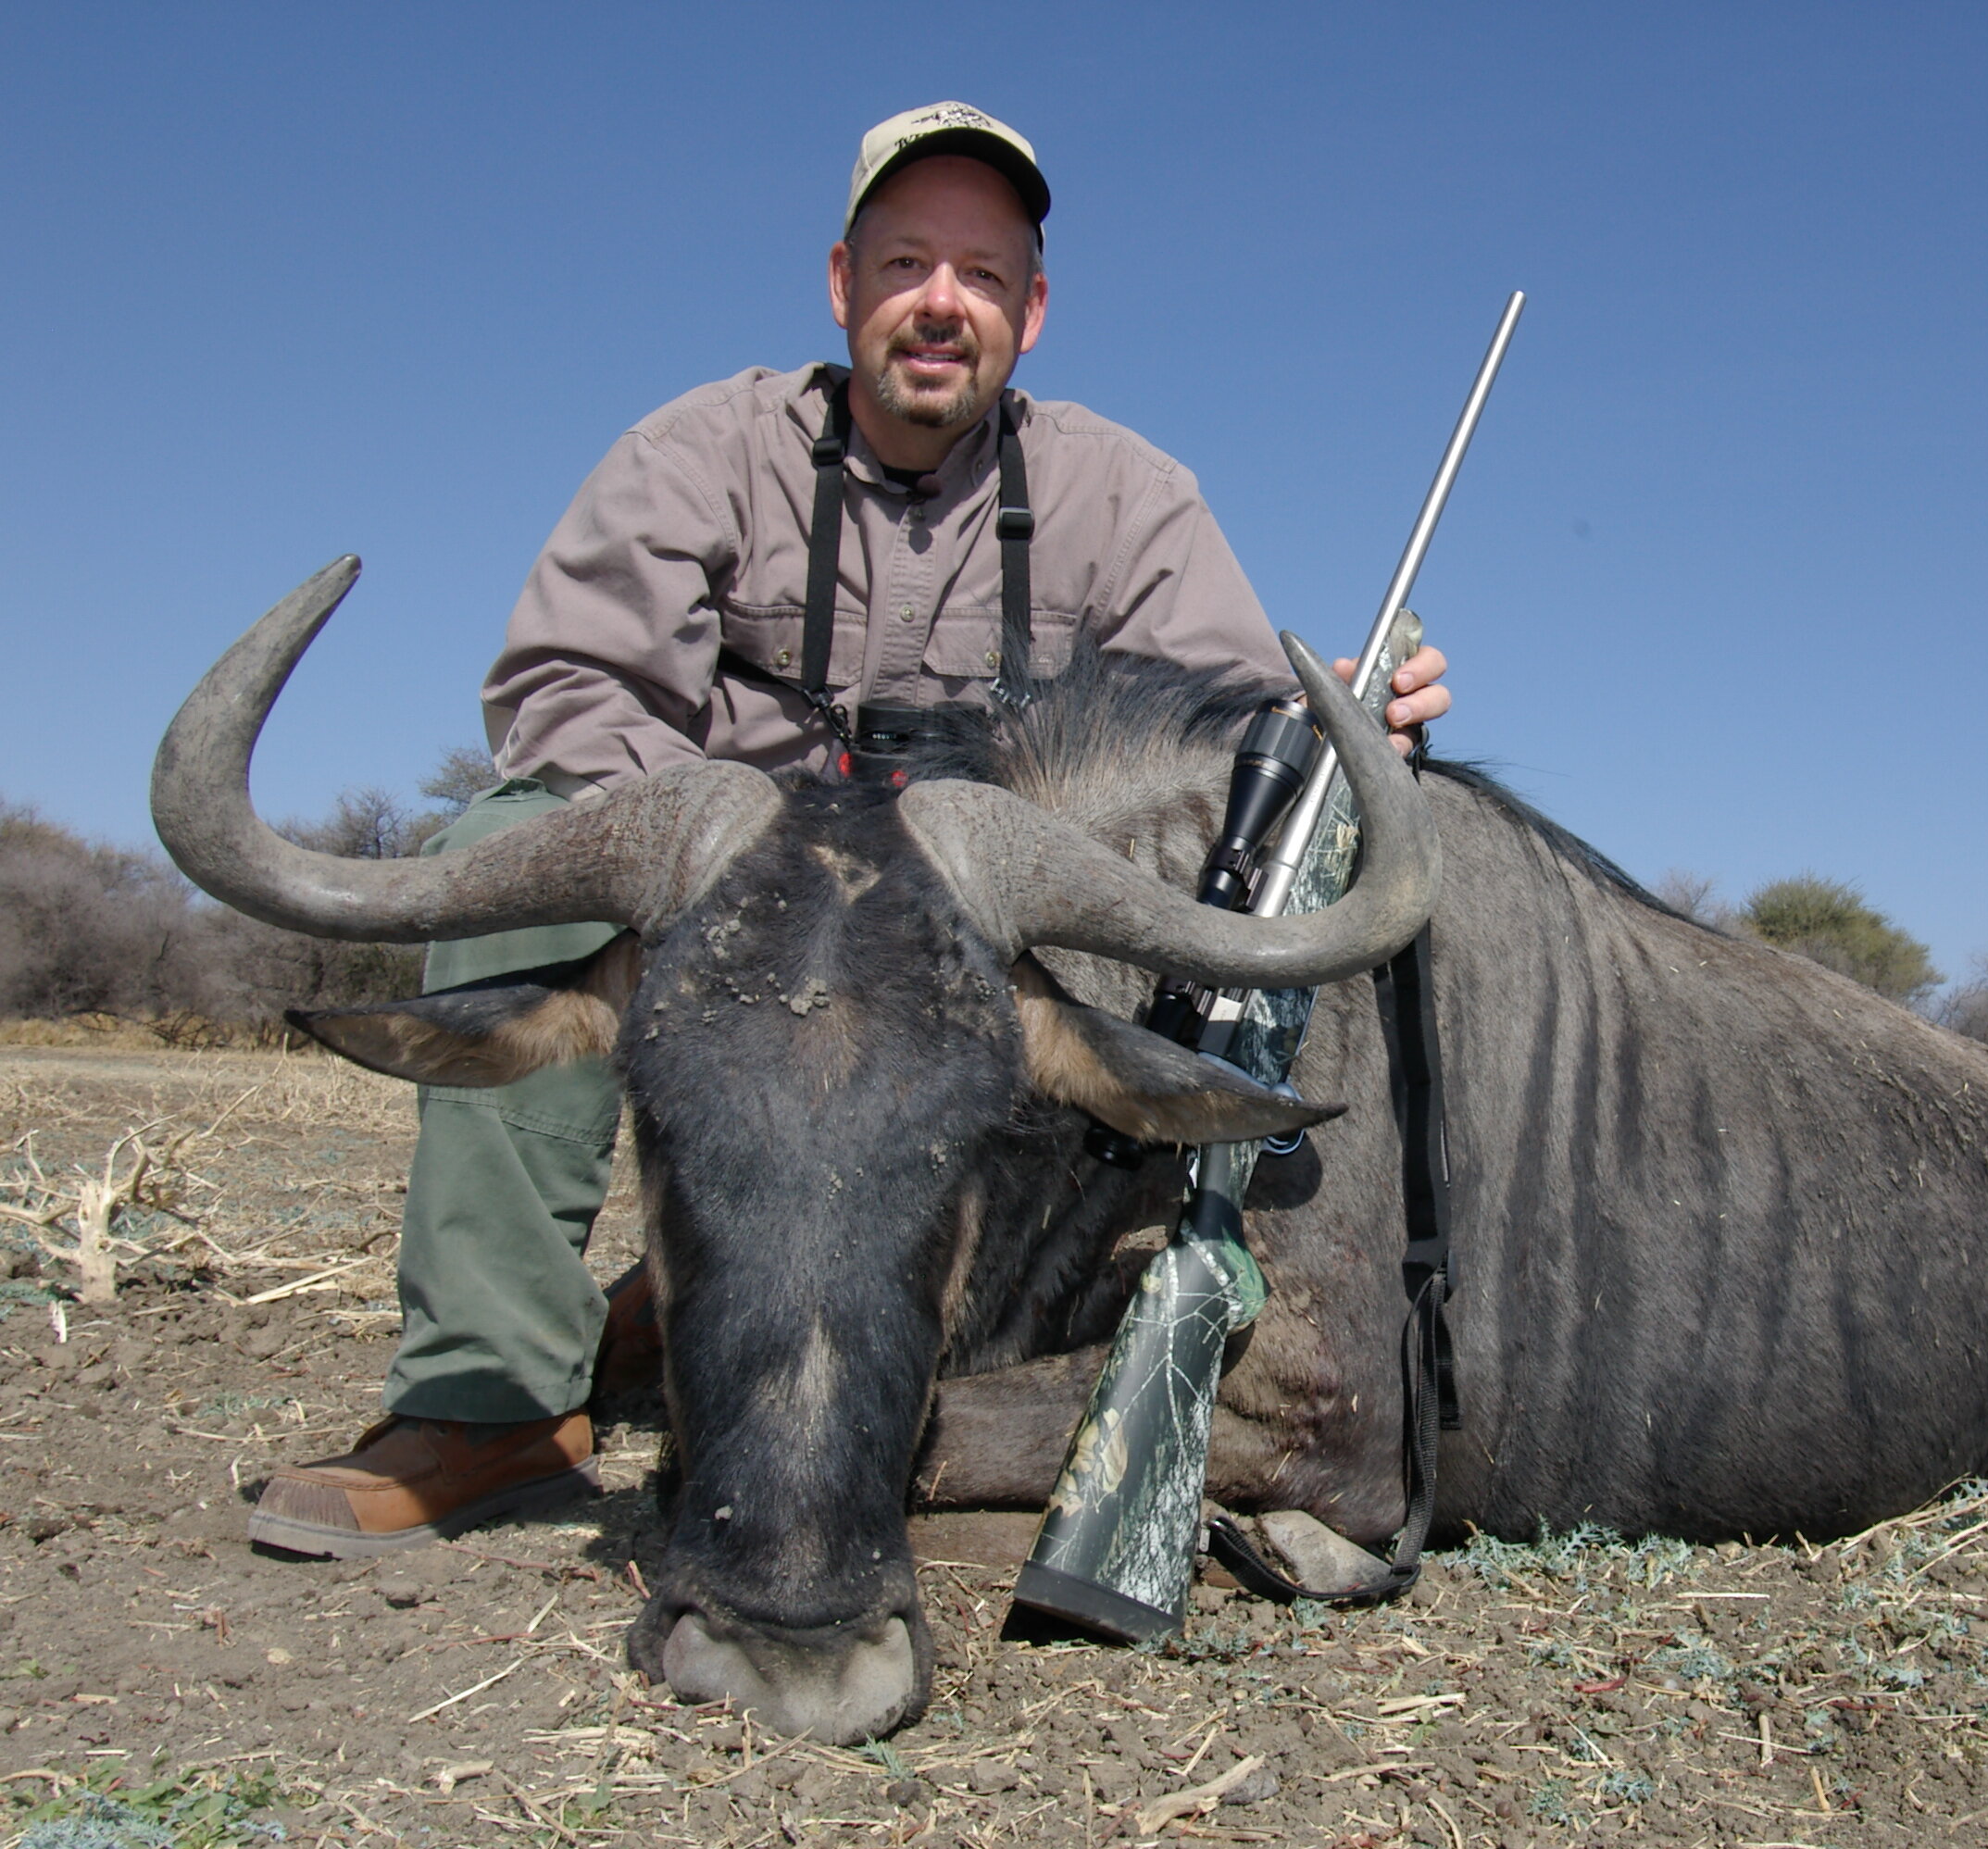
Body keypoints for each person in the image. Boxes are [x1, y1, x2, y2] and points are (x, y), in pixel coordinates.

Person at [248, 103, 1452, 1557]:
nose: (942, 303)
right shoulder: (700, 449)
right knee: (518, 847)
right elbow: (565, 701)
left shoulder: (1128, 493)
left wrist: (1359, 736)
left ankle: (870, 1326)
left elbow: (1229, 752)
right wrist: (751, 850)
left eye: (983, 277)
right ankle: (492, 1401)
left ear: (1034, 310)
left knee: (1219, 934)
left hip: (969, 954)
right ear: (843, 285)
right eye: (906, 264)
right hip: (747, 925)